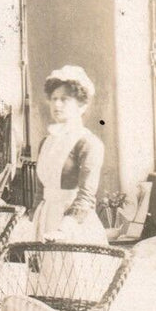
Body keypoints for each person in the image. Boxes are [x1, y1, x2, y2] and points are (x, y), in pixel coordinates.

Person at [23, 66, 108, 244]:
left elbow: (86, 195)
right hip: (45, 218)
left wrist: (64, 229)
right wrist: (32, 220)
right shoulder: (46, 142)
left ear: (81, 106)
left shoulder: (88, 143)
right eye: (54, 99)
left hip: (73, 224)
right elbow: (40, 190)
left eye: (64, 99)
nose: (57, 105)